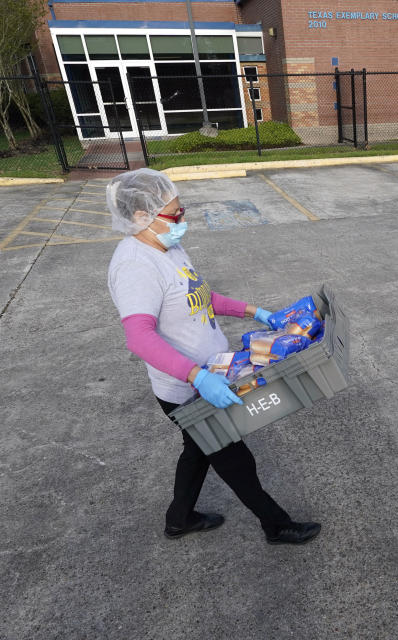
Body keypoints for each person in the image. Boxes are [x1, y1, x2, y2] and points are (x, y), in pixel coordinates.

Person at [105, 168, 320, 545]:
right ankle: (276, 525)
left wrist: (256, 312)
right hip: (187, 388)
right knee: (234, 459)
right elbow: (138, 337)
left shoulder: (166, 246)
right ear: (141, 217)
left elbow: (202, 295)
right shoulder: (135, 265)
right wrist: (197, 377)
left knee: (198, 450)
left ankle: (179, 518)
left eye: (181, 210)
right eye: (175, 215)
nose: (182, 221)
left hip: (213, 373)